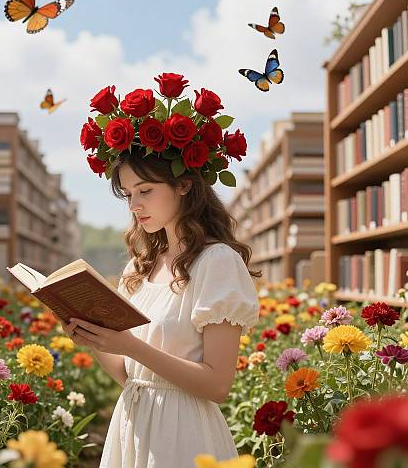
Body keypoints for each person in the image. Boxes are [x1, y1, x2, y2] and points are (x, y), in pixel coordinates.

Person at [62, 74, 260, 467]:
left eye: (146, 190)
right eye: (129, 194)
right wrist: (97, 339)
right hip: (133, 422)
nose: (135, 205)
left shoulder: (216, 262)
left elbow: (217, 384)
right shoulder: (141, 267)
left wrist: (130, 345)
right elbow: (131, 375)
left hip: (183, 436)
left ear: (185, 184)